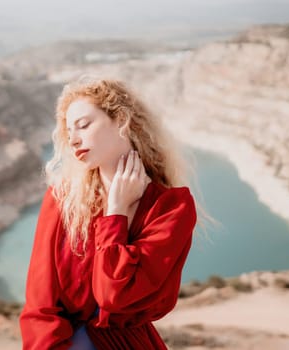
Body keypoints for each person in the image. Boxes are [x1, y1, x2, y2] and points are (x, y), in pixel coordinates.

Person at [19, 77, 198, 349]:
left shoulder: (171, 208)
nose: (74, 139)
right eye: (69, 132)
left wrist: (115, 214)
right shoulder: (62, 198)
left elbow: (114, 295)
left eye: (84, 125)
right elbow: (39, 305)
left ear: (121, 121)